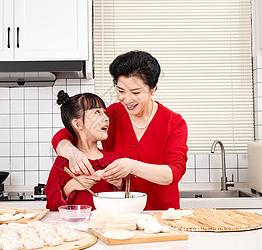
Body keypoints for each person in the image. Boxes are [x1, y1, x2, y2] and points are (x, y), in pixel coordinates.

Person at [52, 50, 189, 210]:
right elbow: (64, 134)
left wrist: (131, 166)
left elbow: (173, 173)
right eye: (121, 91)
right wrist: (71, 152)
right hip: (120, 214)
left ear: (153, 88)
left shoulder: (173, 123)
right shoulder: (112, 115)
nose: (127, 99)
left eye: (136, 92)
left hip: (161, 213)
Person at [45, 90, 123, 211]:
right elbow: (52, 206)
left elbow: (126, 201)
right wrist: (72, 185)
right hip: (73, 228)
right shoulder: (62, 163)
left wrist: (119, 184)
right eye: (97, 112)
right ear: (77, 124)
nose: (106, 118)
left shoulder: (113, 160)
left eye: (105, 113)